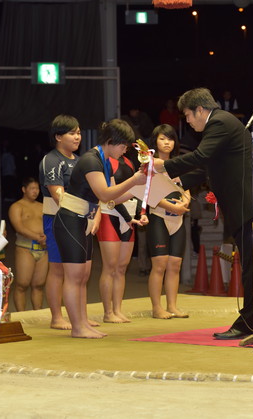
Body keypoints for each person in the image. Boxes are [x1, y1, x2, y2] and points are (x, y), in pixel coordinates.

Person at [152, 88, 253, 340]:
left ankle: (249, 324)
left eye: (188, 115)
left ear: (200, 110)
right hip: (251, 205)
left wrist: (164, 165)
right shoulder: (220, 124)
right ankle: (250, 323)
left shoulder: (219, 123)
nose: (187, 121)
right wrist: (178, 180)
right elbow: (206, 168)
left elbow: (201, 156)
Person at [53, 119, 145, 338]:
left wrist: (139, 190)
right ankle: (77, 328)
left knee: (83, 275)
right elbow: (105, 194)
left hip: (84, 219)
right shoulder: (91, 160)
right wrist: (134, 181)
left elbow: (111, 199)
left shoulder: (102, 161)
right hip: (70, 219)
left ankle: (82, 322)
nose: (124, 151)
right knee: (74, 276)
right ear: (111, 141)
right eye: (123, 146)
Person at [38, 114, 81, 329]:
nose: (77, 137)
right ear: (58, 136)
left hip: (80, 219)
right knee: (58, 269)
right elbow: (58, 196)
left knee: (78, 271)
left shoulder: (80, 161)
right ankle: (56, 317)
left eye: (79, 132)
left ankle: (79, 316)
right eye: (72, 133)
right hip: (57, 218)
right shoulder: (52, 159)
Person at [96, 152, 147, 324]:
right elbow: (109, 196)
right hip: (109, 213)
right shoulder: (105, 162)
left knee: (121, 267)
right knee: (110, 266)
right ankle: (108, 312)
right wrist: (127, 217)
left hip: (130, 215)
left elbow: (138, 191)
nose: (124, 147)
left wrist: (141, 213)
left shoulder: (129, 162)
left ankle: (117, 309)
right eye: (122, 144)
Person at [146, 124, 190, 320]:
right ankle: (157, 307)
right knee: (159, 265)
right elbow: (148, 194)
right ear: (155, 141)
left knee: (175, 264)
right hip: (159, 217)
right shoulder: (150, 165)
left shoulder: (179, 164)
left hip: (178, 220)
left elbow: (186, 188)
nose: (167, 143)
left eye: (170, 139)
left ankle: (172, 306)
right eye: (162, 138)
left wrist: (185, 201)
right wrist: (171, 206)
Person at [8, 177, 48, 312]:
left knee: (39, 285)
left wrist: (47, 237)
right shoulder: (17, 207)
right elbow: (19, 227)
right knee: (22, 284)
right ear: (24, 189)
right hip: (25, 247)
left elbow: (50, 225)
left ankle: (38, 312)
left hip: (43, 248)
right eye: (32, 188)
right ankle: (21, 315)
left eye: (37, 188)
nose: (35, 191)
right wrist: (37, 237)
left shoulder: (42, 206)